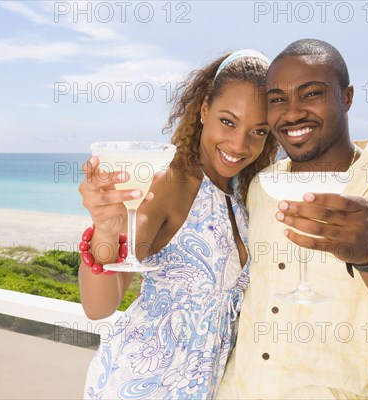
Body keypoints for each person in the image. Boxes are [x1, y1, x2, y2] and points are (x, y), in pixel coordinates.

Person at [217, 38, 368, 399]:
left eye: (311, 94)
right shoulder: (263, 188)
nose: (292, 113)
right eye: (278, 99)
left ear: (346, 97)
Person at [78, 49, 278, 399]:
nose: (238, 143)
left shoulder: (241, 199)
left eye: (258, 131)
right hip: (139, 385)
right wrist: (107, 230)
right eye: (228, 121)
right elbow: (99, 307)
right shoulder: (169, 184)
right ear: (204, 110)